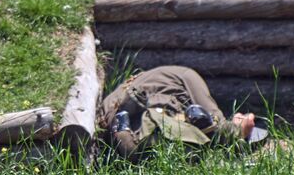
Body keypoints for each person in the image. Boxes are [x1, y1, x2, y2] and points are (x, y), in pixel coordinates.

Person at [98, 65, 268, 162]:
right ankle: (128, 143)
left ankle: (123, 136)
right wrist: (243, 125)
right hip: (154, 119)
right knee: (200, 123)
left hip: (112, 114)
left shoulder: (161, 76)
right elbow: (218, 126)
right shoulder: (188, 75)